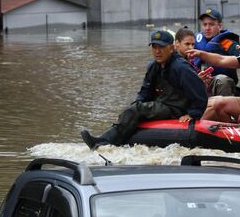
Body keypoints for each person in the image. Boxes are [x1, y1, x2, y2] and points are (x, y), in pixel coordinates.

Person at [80, 29, 208, 149]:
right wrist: (137, 104)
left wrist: (193, 114)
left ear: (171, 48)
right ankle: (114, 135)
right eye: (154, 47)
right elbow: (145, 91)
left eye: (161, 47)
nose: (157, 51)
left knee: (136, 110)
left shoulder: (180, 67)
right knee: (134, 108)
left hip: (175, 108)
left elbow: (200, 92)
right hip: (163, 103)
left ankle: (104, 143)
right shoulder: (153, 66)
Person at [194, 8, 240, 96]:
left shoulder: (227, 43)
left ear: (220, 26)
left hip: (222, 84)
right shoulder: (195, 41)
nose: (207, 28)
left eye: (211, 24)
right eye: (204, 24)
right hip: (200, 81)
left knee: (222, 80)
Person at [174, 27, 220, 96]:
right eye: (187, 44)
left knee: (221, 80)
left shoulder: (189, 60)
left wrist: (205, 79)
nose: (191, 48)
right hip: (182, 99)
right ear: (177, 43)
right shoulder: (172, 61)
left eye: (193, 44)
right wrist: (197, 80)